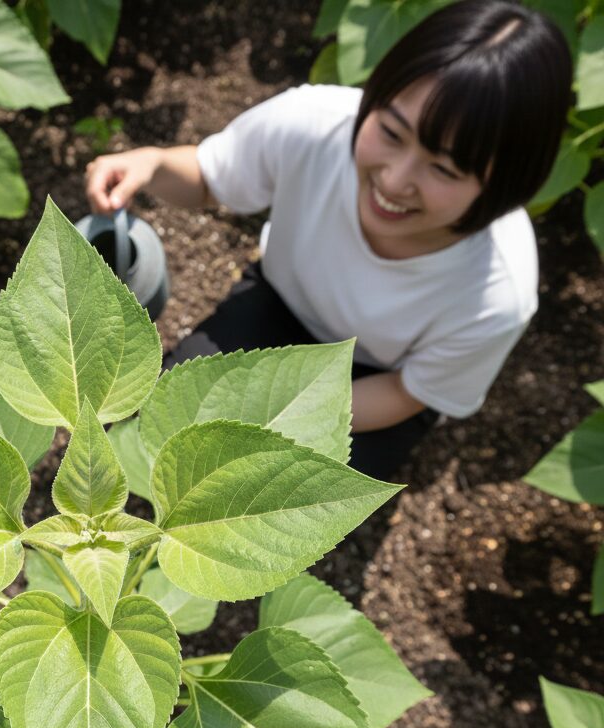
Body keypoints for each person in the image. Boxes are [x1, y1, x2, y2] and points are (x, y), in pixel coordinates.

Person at [84, 0, 572, 480]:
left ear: (506, 187)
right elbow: (211, 179)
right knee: (152, 438)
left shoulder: (495, 291)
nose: (395, 180)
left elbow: (411, 391)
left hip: (374, 382)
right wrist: (151, 164)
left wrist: (283, 410)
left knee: (269, 506)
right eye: (392, 132)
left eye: (442, 168)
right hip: (278, 303)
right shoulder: (314, 125)